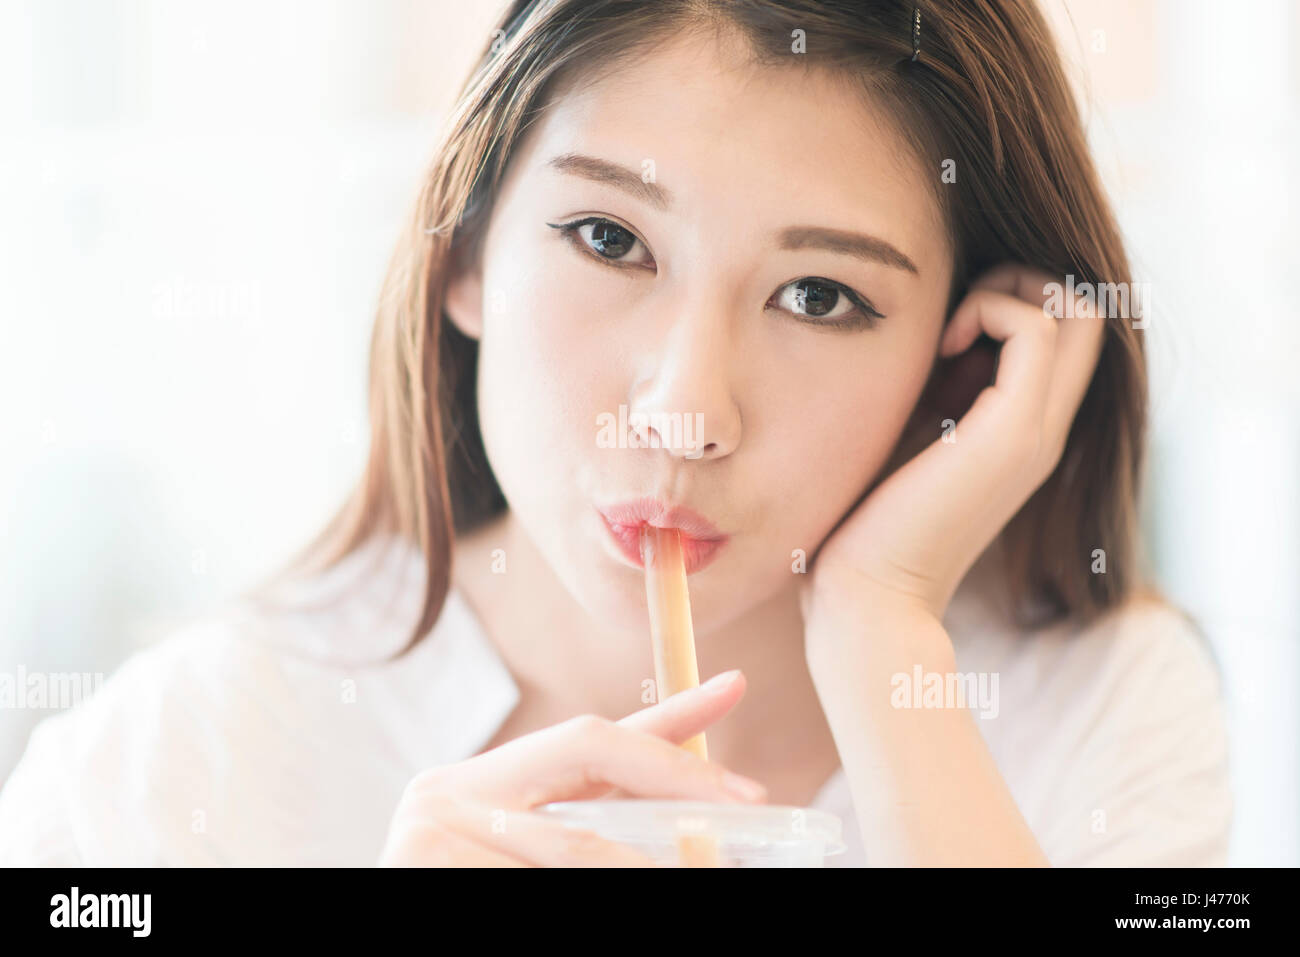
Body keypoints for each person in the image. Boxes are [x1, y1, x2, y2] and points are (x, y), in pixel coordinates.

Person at [0, 0, 1231, 867]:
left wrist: (881, 627)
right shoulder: (178, 766)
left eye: (819, 297)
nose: (687, 412)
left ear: (953, 360)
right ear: (465, 253)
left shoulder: (1093, 711)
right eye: (608, 239)